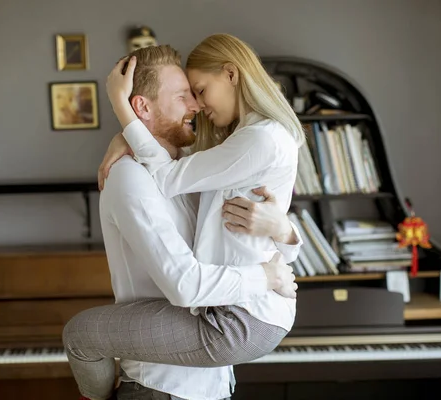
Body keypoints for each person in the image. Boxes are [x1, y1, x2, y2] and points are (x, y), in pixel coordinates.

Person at [63, 43, 302, 400]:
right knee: (79, 334)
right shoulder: (132, 178)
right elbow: (186, 284)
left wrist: (284, 231)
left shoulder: (202, 166)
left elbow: (174, 170)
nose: (196, 106)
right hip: (162, 386)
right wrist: (265, 276)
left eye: (198, 93)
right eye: (185, 96)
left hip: (213, 381)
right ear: (143, 107)